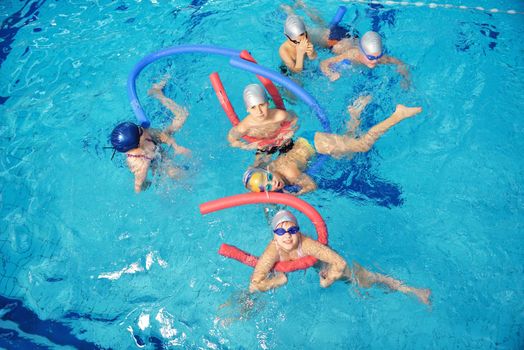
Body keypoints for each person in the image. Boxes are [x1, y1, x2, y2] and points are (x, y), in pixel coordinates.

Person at [243, 95, 422, 195]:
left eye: (268, 179)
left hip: (314, 143)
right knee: (347, 151)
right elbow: (257, 163)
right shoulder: (267, 168)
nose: (273, 184)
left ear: (267, 172)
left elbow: (312, 186)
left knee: (363, 145)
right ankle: (354, 114)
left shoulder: (291, 174)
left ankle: (398, 114)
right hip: (303, 142)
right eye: (267, 187)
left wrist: (296, 195)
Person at [249, 210, 431, 305]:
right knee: (252, 291)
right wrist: (277, 282)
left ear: (299, 231)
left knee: (363, 279)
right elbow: (256, 281)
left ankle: (413, 291)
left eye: (292, 230)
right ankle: (239, 312)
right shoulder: (273, 250)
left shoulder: (306, 244)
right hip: (297, 267)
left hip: (325, 265)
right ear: (274, 236)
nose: (287, 235)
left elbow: (339, 262)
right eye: (281, 231)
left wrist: (329, 279)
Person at [110, 78, 190, 193]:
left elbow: (162, 136)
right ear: (138, 143)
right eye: (140, 131)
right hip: (155, 162)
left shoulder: (146, 134)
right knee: (175, 173)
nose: (142, 127)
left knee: (182, 115)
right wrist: (144, 184)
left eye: (139, 127)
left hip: (155, 146)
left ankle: (157, 93)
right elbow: (137, 187)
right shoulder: (139, 163)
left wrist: (176, 147)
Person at [227, 84, 298, 167]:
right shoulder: (245, 126)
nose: (259, 111)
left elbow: (294, 118)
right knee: (258, 167)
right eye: (253, 107)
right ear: (247, 109)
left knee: (290, 165)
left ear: (267, 103)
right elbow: (232, 140)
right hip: (263, 146)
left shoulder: (279, 116)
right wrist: (247, 146)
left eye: (262, 105)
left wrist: (290, 131)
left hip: (283, 141)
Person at [320, 31, 411, 87]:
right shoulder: (352, 55)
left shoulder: (379, 58)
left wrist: (406, 79)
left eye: (377, 56)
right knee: (321, 34)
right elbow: (323, 63)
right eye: (371, 57)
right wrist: (330, 74)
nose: (375, 61)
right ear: (361, 52)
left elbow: (400, 63)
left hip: (358, 41)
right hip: (336, 42)